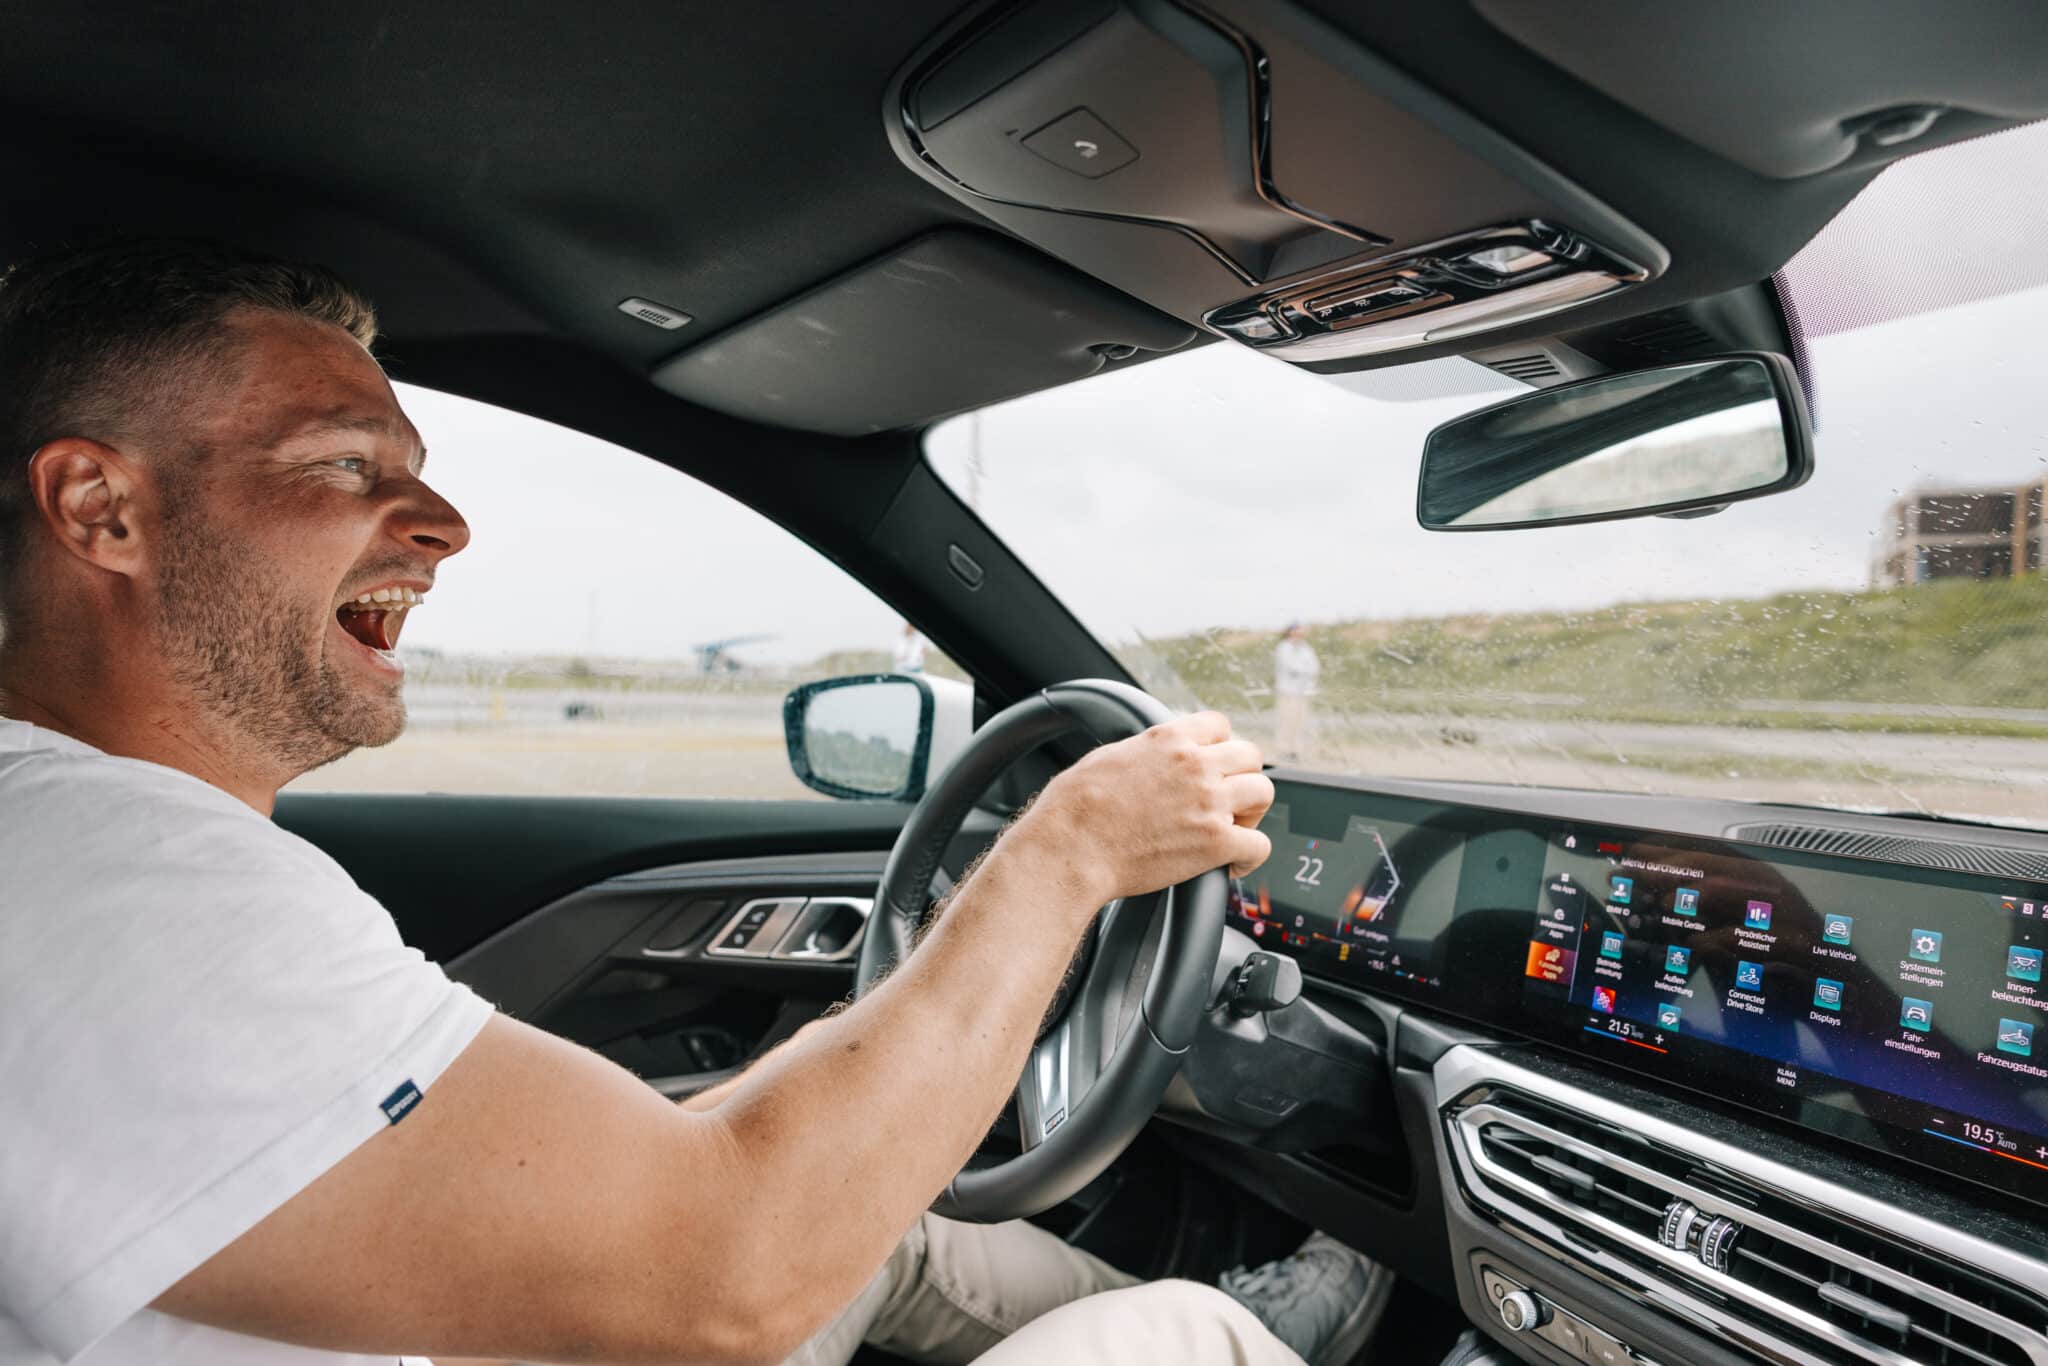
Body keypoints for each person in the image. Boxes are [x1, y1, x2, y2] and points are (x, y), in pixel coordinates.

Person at [0, 239, 1389, 1366]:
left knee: (884, 1226)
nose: (444, 526)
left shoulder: (88, 841)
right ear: (100, 508)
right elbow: (732, 1278)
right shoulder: (118, 882)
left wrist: (781, 1114)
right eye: (347, 466)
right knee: (1181, 1335)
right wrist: (1073, 850)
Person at [1273, 623, 1321, 760]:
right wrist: (1305, 671)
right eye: (1296, 632)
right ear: (1290, 632)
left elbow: (1315, 667)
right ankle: (1283, 750)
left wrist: (1306, 673)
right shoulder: (1283, 648)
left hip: (1303, 692)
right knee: (1286, 721)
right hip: (1287, 691)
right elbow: (1291, 667)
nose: (1299, 635)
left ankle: (1296, 750)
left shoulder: (1306, 649)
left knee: (1300, 722)